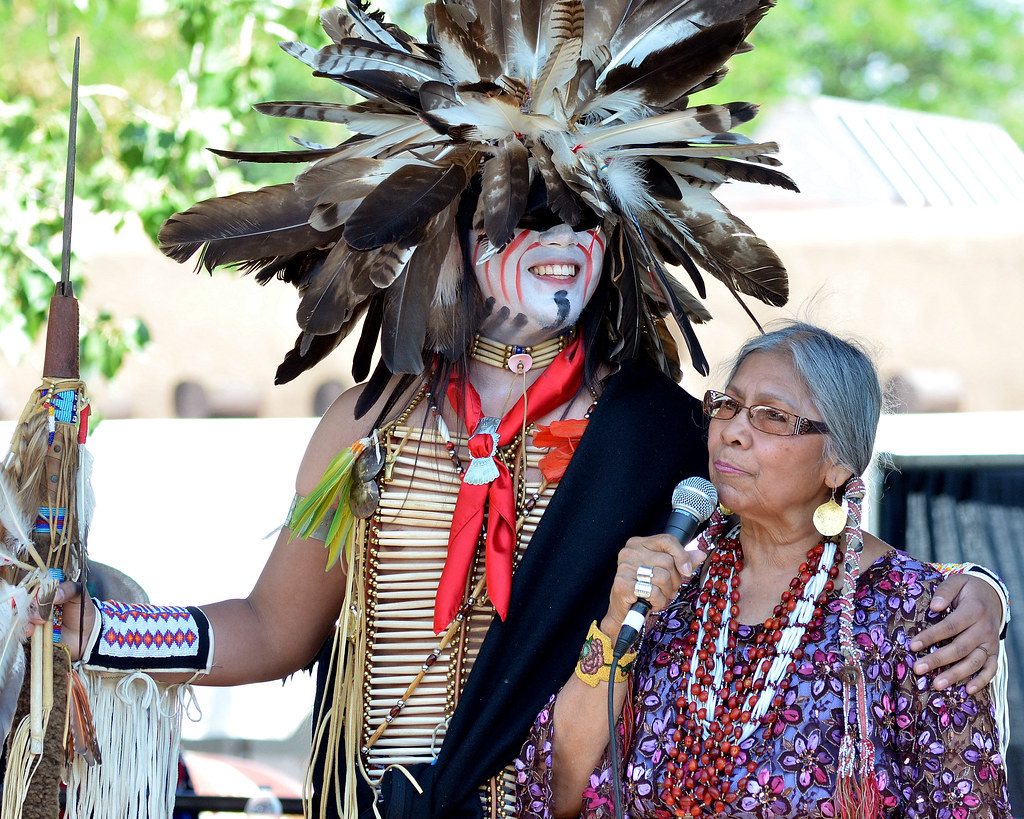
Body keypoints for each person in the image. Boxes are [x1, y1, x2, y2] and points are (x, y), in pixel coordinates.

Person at [35, 2, 1007, 818]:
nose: (555, 236)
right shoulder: (368, 422)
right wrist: (107, 634)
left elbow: (805, 543)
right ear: (446, 233)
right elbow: (272, 627)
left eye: (582, 210)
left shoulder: (661, 431)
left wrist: (972, 590)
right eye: (518, 207)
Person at [515, 322, 1011, 819]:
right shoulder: (669, 588)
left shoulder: (922, 618)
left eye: (772, 417)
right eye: (727, 405)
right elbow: (554, 796)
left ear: (838, 463)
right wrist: (616, 620)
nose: (732, 430)